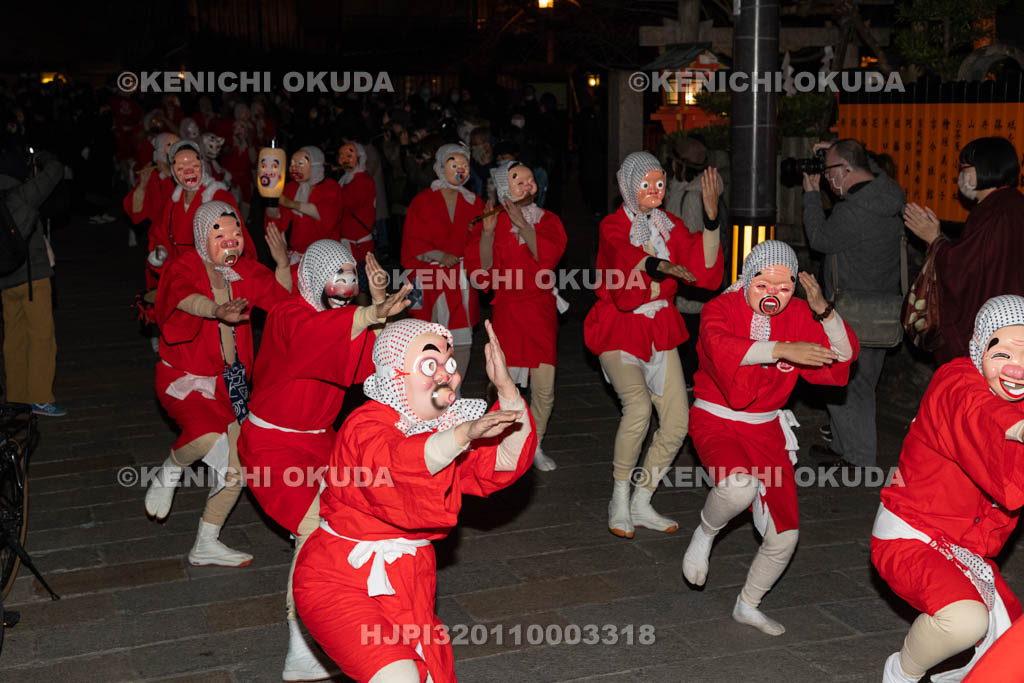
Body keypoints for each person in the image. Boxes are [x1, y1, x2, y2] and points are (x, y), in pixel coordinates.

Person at [292, 318, 536, 683]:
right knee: (399, 677)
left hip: (410, 583)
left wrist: (507, 389)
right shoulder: (364, 425)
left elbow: (502, 463)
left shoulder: (443, 430)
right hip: (338, 579)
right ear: (395, 373)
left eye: (449, 363)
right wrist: (462, 435)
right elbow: (396, 464)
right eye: (430, 364)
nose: (445, 374)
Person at [239, 244, 410, 681]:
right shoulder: (287, 315)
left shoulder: (344, 317)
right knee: (312, 528)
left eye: (352, 278)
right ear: (314, 278)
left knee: (361, 513)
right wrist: (369, 313)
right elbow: (314, 336)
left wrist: (377, 307)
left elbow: (371, 362)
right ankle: (300, 647)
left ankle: (355, 614)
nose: (347, 288)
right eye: (339, 277)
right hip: (273, 445)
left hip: (320, 442)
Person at [681, 240, 859, 635]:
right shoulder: (720, 308)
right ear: (747, 280)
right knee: (738, 488)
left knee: (785, 535)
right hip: (718, 420)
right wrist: (783, 349)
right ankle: (705, 532)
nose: (773, 295)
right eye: (763, 285)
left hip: (766, 428)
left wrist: (824, 312)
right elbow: (719, 346)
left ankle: (748, 604)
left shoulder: (797, 313)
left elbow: (844, 355)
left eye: (784, 287)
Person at [873, 294, 1024, 683]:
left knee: (1011, 654)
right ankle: (900, 675)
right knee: (965, 619)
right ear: (979, 349)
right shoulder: (955, 382)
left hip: (967, 551)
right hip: (911, 537)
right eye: (1003, 353)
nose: (1017, 368)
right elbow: (981, 414)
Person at [584, 151, 724, 538]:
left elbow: (702, 266)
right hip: (619, 327)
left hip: (660, 327)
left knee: (678, 422)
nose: (655, 190)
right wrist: (659, 265)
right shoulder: (613, 224)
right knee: (638, 408)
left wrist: (712, 217)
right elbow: (621, 254)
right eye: (646, 184)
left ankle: (642, 499)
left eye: (659, 183)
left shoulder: (668, 225)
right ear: (630, 187)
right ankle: (618, 497)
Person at [145, 200, 291, 566]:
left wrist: (282, 264)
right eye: (220, 233)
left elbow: (283, 305)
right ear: (201, 236)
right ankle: (171, 468)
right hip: (185, 380)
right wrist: (215, 310)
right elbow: (182, 299)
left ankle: (205, 544)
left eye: (236, 233)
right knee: (204, 436)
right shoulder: (183, 267)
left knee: (237, 469)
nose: (231, 240)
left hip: (231, 385)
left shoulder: (244, 271)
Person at [801, 138, 906, 468]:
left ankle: (858, 459)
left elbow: (819, 239)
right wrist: (837, 149)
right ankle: (843, 446)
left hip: (852, 309)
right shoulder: (889, 193)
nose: (826, 177)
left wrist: (810, 195)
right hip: (882, 306)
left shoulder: (852, 212)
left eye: (829, 170)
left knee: (848, 383)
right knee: (860, 382)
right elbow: (863, 165)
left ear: (845, 169)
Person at [467, 159, 567, 471]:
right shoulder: (492, 222)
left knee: (544, 389)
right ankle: (502, 444)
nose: (527, 186)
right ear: (504, 189)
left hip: (540, 311)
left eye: (529, 179)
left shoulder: (548, 220)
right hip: (509, 312)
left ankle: (535, 444)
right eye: (518, 181)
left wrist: (524, 226)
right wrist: (487, 235)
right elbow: (481, 274)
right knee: (503, 384)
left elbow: (548, 257)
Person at [904, 136, 1024, 364]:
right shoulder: (1009, 204)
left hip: (995, 326)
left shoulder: (999, 212)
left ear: (985, 168)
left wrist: (935, 239)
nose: (960, 176)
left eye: (964, 168)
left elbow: (965, 267)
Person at [401, 143, 482, 386]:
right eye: (454, 164)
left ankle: (454, 387)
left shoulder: (474, 202)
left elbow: (478, 240)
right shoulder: (423, 201)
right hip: (427, 277)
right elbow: (413, 238)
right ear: (440, 167)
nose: (460, 169)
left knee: (462, 335)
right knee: (428, 335)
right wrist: (437, 254)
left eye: (465, 165)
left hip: (459, 277)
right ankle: (428, 386)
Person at [0, 146, 66, 417]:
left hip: (4, 279)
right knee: (41, 337)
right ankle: (39, 397)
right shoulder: (23, 194)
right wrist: (41, 156)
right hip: (32, 278)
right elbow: (56, 170)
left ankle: (16, 395)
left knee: (13, 338)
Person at [148, 140, 255, 271]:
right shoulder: (174, 201)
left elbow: (237, 238)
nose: (188, 171)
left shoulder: (218, 196)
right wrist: (161, 252)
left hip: (209, 272)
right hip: (180, 270)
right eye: (180, 168)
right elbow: (161, 233)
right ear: (173, 172)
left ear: (202, 165)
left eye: (194, 165)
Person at [267, 145, 343, 260]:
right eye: (292, 163)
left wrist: (292, 204)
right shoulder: (291, 188)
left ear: (315, 166)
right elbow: (279, 221)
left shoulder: (331, 188)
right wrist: (271, 203)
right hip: (297, 254)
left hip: (324, 256)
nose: (294, 167)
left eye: (300, 163)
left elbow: (326, 217)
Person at [336, 141, 377, 262]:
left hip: (358, 241)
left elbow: (348, 205)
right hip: (348, 238)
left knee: (358, 271)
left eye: (349, 156)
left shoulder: (362, 180)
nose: (344, 160)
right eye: (341, 156)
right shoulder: (345, 179)